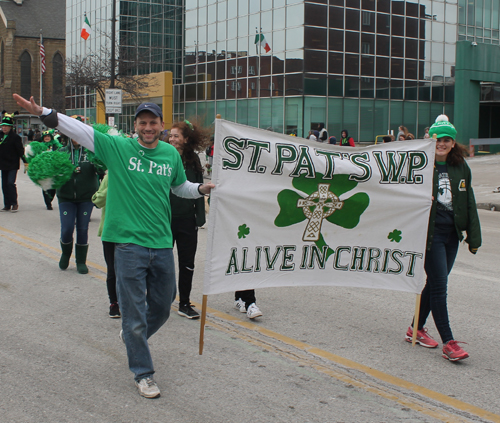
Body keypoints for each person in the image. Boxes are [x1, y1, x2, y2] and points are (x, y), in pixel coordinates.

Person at [13, 94, 214, 399]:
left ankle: (134, 336)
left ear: (160, 126)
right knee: (133, 312)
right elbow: (79, 131)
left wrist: (200, 189)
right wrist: (44, 113)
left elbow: (179, 187)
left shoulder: (169, 155)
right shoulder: (118, 148)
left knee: (162, 306)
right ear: (136, 126)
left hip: (160, 243)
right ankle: (143, 373)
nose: (148, 127)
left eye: (153, 123)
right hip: (128, 244)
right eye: (143, 122)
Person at [405, 114, 481, 362]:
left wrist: (473, 235)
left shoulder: (460, 165)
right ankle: (449, 342)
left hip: (452, 234)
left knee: (436, 282)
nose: (442, 143)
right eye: (438, 138)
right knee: (440, 286)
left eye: (447, 139)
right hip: (430, 234)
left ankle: (415, 329)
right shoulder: (420, 164)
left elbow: (468, 201)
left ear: (453, 142)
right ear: (431, 139)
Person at [168, 120, 208, 319]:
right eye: (171, 135)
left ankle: (184, 302)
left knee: (187, 263)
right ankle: (161, 299)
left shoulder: (194, 160)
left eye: (176, 135)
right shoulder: (163, 156)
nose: (172, 139)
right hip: (164, 219)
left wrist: (199, 217)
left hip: (186, 220)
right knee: (162, 263)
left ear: (186, 139)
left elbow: (199, 187)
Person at [57, 135, 102, 274]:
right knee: (67, 228)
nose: (76, 137)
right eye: (73, 134)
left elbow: (101, 172)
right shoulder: (61, 152)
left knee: (82, 229)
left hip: (85, 197)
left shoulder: (91, 152)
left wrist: (99, 162)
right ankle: (65, 254)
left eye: (78, 134)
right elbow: (53, 173)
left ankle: (81, 261)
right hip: (66, 197)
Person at [92, 173, 120, 318]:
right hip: (111, 230)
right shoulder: (111, 175)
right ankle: (114, 302)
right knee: (113, 268)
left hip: (131, 230)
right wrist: (113, 186)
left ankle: (127, 301)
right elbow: (98, 201)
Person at [0, 112, 27, 212]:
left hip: (12, 164)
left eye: (6, 126)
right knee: (4, 185)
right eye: (3, 126)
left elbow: (20, 151)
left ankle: (14, 203)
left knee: (10, 183)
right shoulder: (0, 136)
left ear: (11, 127)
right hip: (3, 164)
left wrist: (25, 162)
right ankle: (7, 205)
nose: (4, 128)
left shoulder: (15, 137)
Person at [39, 130, 62, 210]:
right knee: (45, 185)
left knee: (53, 187)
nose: (47, 138)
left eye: (48, 137)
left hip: (53, 169)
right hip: (44, 169)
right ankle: (48, 203)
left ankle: (50, 198)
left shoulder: (55, 145)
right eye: (45, 137)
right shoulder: (40, 147)